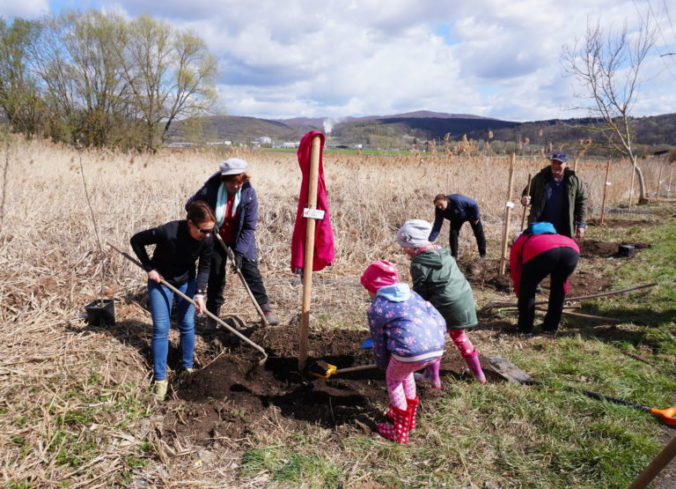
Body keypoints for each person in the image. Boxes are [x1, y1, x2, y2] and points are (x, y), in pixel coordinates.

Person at [130, 201, 215, 401]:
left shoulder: (208, 239)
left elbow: (204, 266)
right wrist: (149, 268)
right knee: (161, 327)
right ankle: (160, 379)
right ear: (190, 223)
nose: (207, 235)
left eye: (211, 230)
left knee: (187, 324)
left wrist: (200, 294)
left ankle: (187, 368)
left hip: (186, 281)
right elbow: (136, 240)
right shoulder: (168, 232)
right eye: (203, 230)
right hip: (161, 281)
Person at [360, 260, 446, 445]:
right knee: (407, 374)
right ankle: (409, 419)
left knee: (394, 379)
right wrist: (439, 336)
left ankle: (400, 431)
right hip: (435, 344)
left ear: (373, 287)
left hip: (409, 351)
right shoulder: (412, 295)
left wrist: (382, 363)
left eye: (368, 289)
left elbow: (379, 340)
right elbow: (435, 314)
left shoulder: (378, 307)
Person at [186, 158, 278, 328]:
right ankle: (212, 316)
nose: (236, 186)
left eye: (240, 182)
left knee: (250, 271)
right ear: (224, 180)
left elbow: (249, 227)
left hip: (241, 238)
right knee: (215, 275)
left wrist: (240, 252)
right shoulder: (210, 189)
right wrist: (208, 222)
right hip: (216, 237)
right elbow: (190, 205)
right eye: (232, 183)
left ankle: (266, 311)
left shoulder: (248, 193)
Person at [397, 219, 487, 385]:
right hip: (463, 298)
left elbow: (421, 292)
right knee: (460, 337)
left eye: (405, 246)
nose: (403, 250)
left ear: (414, 245)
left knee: (434, 337)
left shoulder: (418, 263)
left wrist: (410, 306)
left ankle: (433, 377)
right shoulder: (444, 254)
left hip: (444, 303)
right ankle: (479, 375)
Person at [509, 222, 580, 334]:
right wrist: (563, 290)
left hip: (542, 250)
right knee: (558, 288)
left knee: (528, 288)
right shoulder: (555, 236)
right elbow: (563, 284)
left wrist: (520, 292)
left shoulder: (520, 240)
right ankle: (550, 327)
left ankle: (525, 329)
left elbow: (515, 271)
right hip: (571, 250)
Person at [520, 152, 588, 239]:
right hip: (541, 226)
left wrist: (581, 224)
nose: (555, 166)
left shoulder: (574, 180)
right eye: (553, 162)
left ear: (566, 164)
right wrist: (525, 200)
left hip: (564, 226)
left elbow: (582, 202)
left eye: (559, 163)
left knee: (561, 250)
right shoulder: (541, 177)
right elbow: (527, 194)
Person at [428, 193, 486, 259]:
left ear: (445, 200)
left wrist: (476, 217)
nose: (439, 207)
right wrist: (431, 239)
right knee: (453, 235)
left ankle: (483, 254)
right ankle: (454, 256)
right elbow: (437, 225)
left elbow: (474, 204)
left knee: (478, 233)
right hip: (456, 219)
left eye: (441, 204)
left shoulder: (457, 199)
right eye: (437, 206)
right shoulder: (439, 210)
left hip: (470, 214)